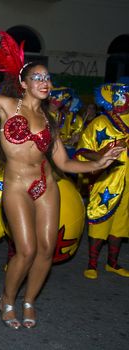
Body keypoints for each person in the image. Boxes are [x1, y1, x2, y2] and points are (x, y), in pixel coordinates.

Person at [0, 26, 124, 329]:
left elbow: (65, 164)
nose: (45, 82)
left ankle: (29, 300)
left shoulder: (49, 119)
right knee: (26, 249)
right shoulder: (7, 106)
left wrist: (102, 163)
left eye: (47, 77)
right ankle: (7, 297)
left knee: (46, 249)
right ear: (23, 83)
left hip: (46, 185)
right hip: (16, 186)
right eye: (38, 77)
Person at [76, 83, 129, 279]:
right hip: (106, 180)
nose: (122, 102)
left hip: (128, 184)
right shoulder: (99, 123)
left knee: (121, 224)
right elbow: (82, 151)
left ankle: (112, 264)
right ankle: (92, 264)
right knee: (100, 220)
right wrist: (101, 156)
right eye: (118, 98)